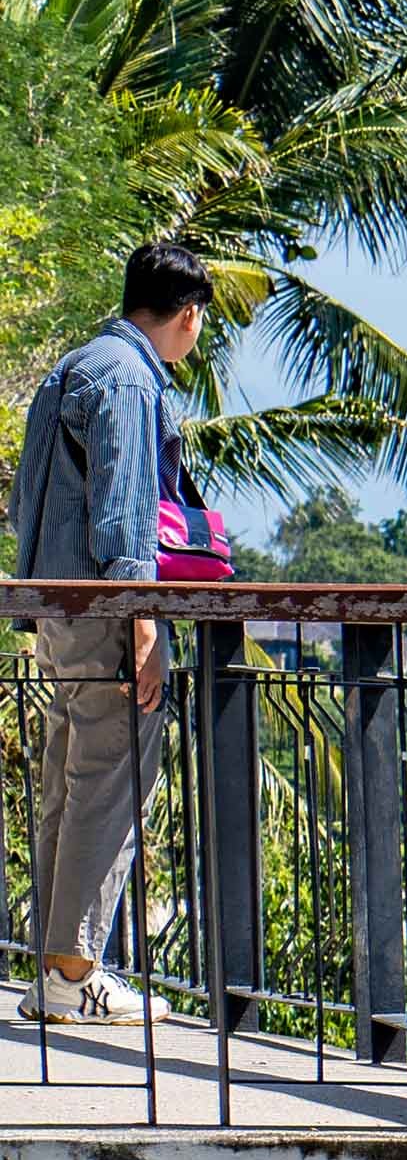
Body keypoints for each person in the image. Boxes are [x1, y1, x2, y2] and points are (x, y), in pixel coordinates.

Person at [11, 242, 209, 1025]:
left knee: (68, 778)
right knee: (110, 780)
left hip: (56, 608)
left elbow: (30, 504)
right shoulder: (130, 381)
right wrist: (145, 624)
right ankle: (73, 969)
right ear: (188, 316)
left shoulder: (76, 363)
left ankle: (58, 968)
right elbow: (127, 517)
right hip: (102, 612)